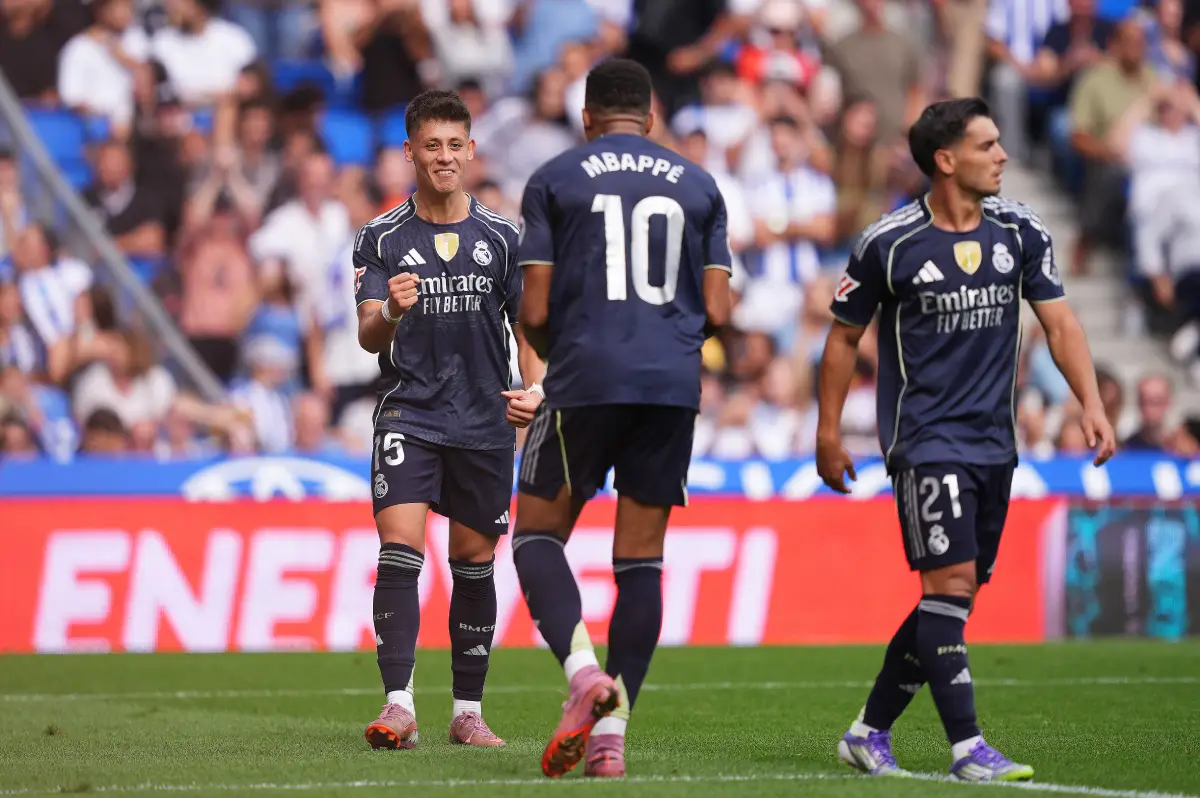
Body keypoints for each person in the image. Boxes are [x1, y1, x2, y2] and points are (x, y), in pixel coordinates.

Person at [815, 98, 1116, 781]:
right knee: (947, 585)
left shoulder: (1021, 231)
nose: (1003, 155)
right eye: (988, 145)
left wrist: (1090, 402)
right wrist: (828, 432)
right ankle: (968, 749)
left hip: (994, 445)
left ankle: (868, 732)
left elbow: (1062, 325)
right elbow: (841, 339)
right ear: (946, 161)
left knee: (951, 598)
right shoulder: (888, 243)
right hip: (924, 441)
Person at [512, 58, 733, 779]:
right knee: (641, 562)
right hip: (669, 386)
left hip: (584, 377)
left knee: (537, 534)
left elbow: (535, 308)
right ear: (652, 115)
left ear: (587, 117)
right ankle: (614, 738)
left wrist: (562, 355)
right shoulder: (700, 185)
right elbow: (721, 311)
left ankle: (582, 675)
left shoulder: (555, 178)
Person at [352, 89, 545, 751]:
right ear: (410, 152)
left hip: (485, 422)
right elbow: (367, 337)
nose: (443, 156)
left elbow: (529, 329)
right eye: (430, 145)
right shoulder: (380, 238)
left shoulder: (504, 236)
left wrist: (537, 387)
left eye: (453, 145)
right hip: (410, 415)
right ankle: (398, 704)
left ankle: (467, 712)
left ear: (470, 150)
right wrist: (392, 312)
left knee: (472, 564)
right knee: (399, 550)